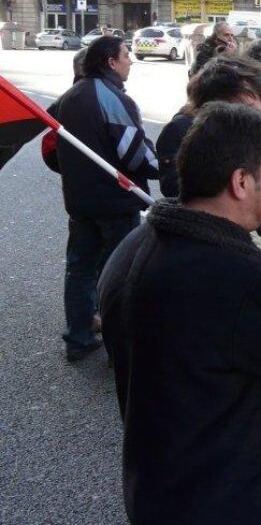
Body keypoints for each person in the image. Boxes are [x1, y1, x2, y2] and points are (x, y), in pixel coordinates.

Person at [98, 103, 261, 524]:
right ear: (240, 181)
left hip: (163, 485)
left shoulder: (135, 246)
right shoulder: (234, 273)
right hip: (236, 498)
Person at [51, 35, 158, 362]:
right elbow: (136, 155)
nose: (131, 61)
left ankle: (79, 338)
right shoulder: (113, 99)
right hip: (116, 203)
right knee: (120, 276)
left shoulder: (68, 97)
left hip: (81, 202)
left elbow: (52, 152)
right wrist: (163, 165)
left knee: (80, 270)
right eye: (126, 55)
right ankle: (119, 347)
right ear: (111, 61)